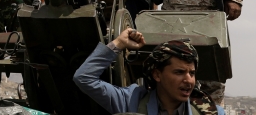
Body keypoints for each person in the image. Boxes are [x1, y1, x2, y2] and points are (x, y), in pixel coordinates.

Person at [73, 27, 223, 114]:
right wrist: (119, 43)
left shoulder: (209, 111)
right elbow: (84, 78)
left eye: (192, 73)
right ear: (157, 74)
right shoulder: (131, 102)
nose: (189, 80)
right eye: (179, 72)